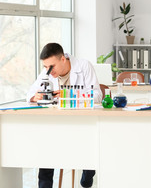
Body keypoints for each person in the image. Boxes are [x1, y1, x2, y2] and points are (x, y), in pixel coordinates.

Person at [27, 43, 102, 188]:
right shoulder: (47, 72)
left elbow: (98, 96)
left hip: (82, 125)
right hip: (57, 124)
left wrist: (69, 95)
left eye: (51, 66)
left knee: (88, 157)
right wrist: (34, 97)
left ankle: (87, 175)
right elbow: (30, 93)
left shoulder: (84, 66)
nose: (48, 71)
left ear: (63, 59)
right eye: (45, 67)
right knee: (46, 149)